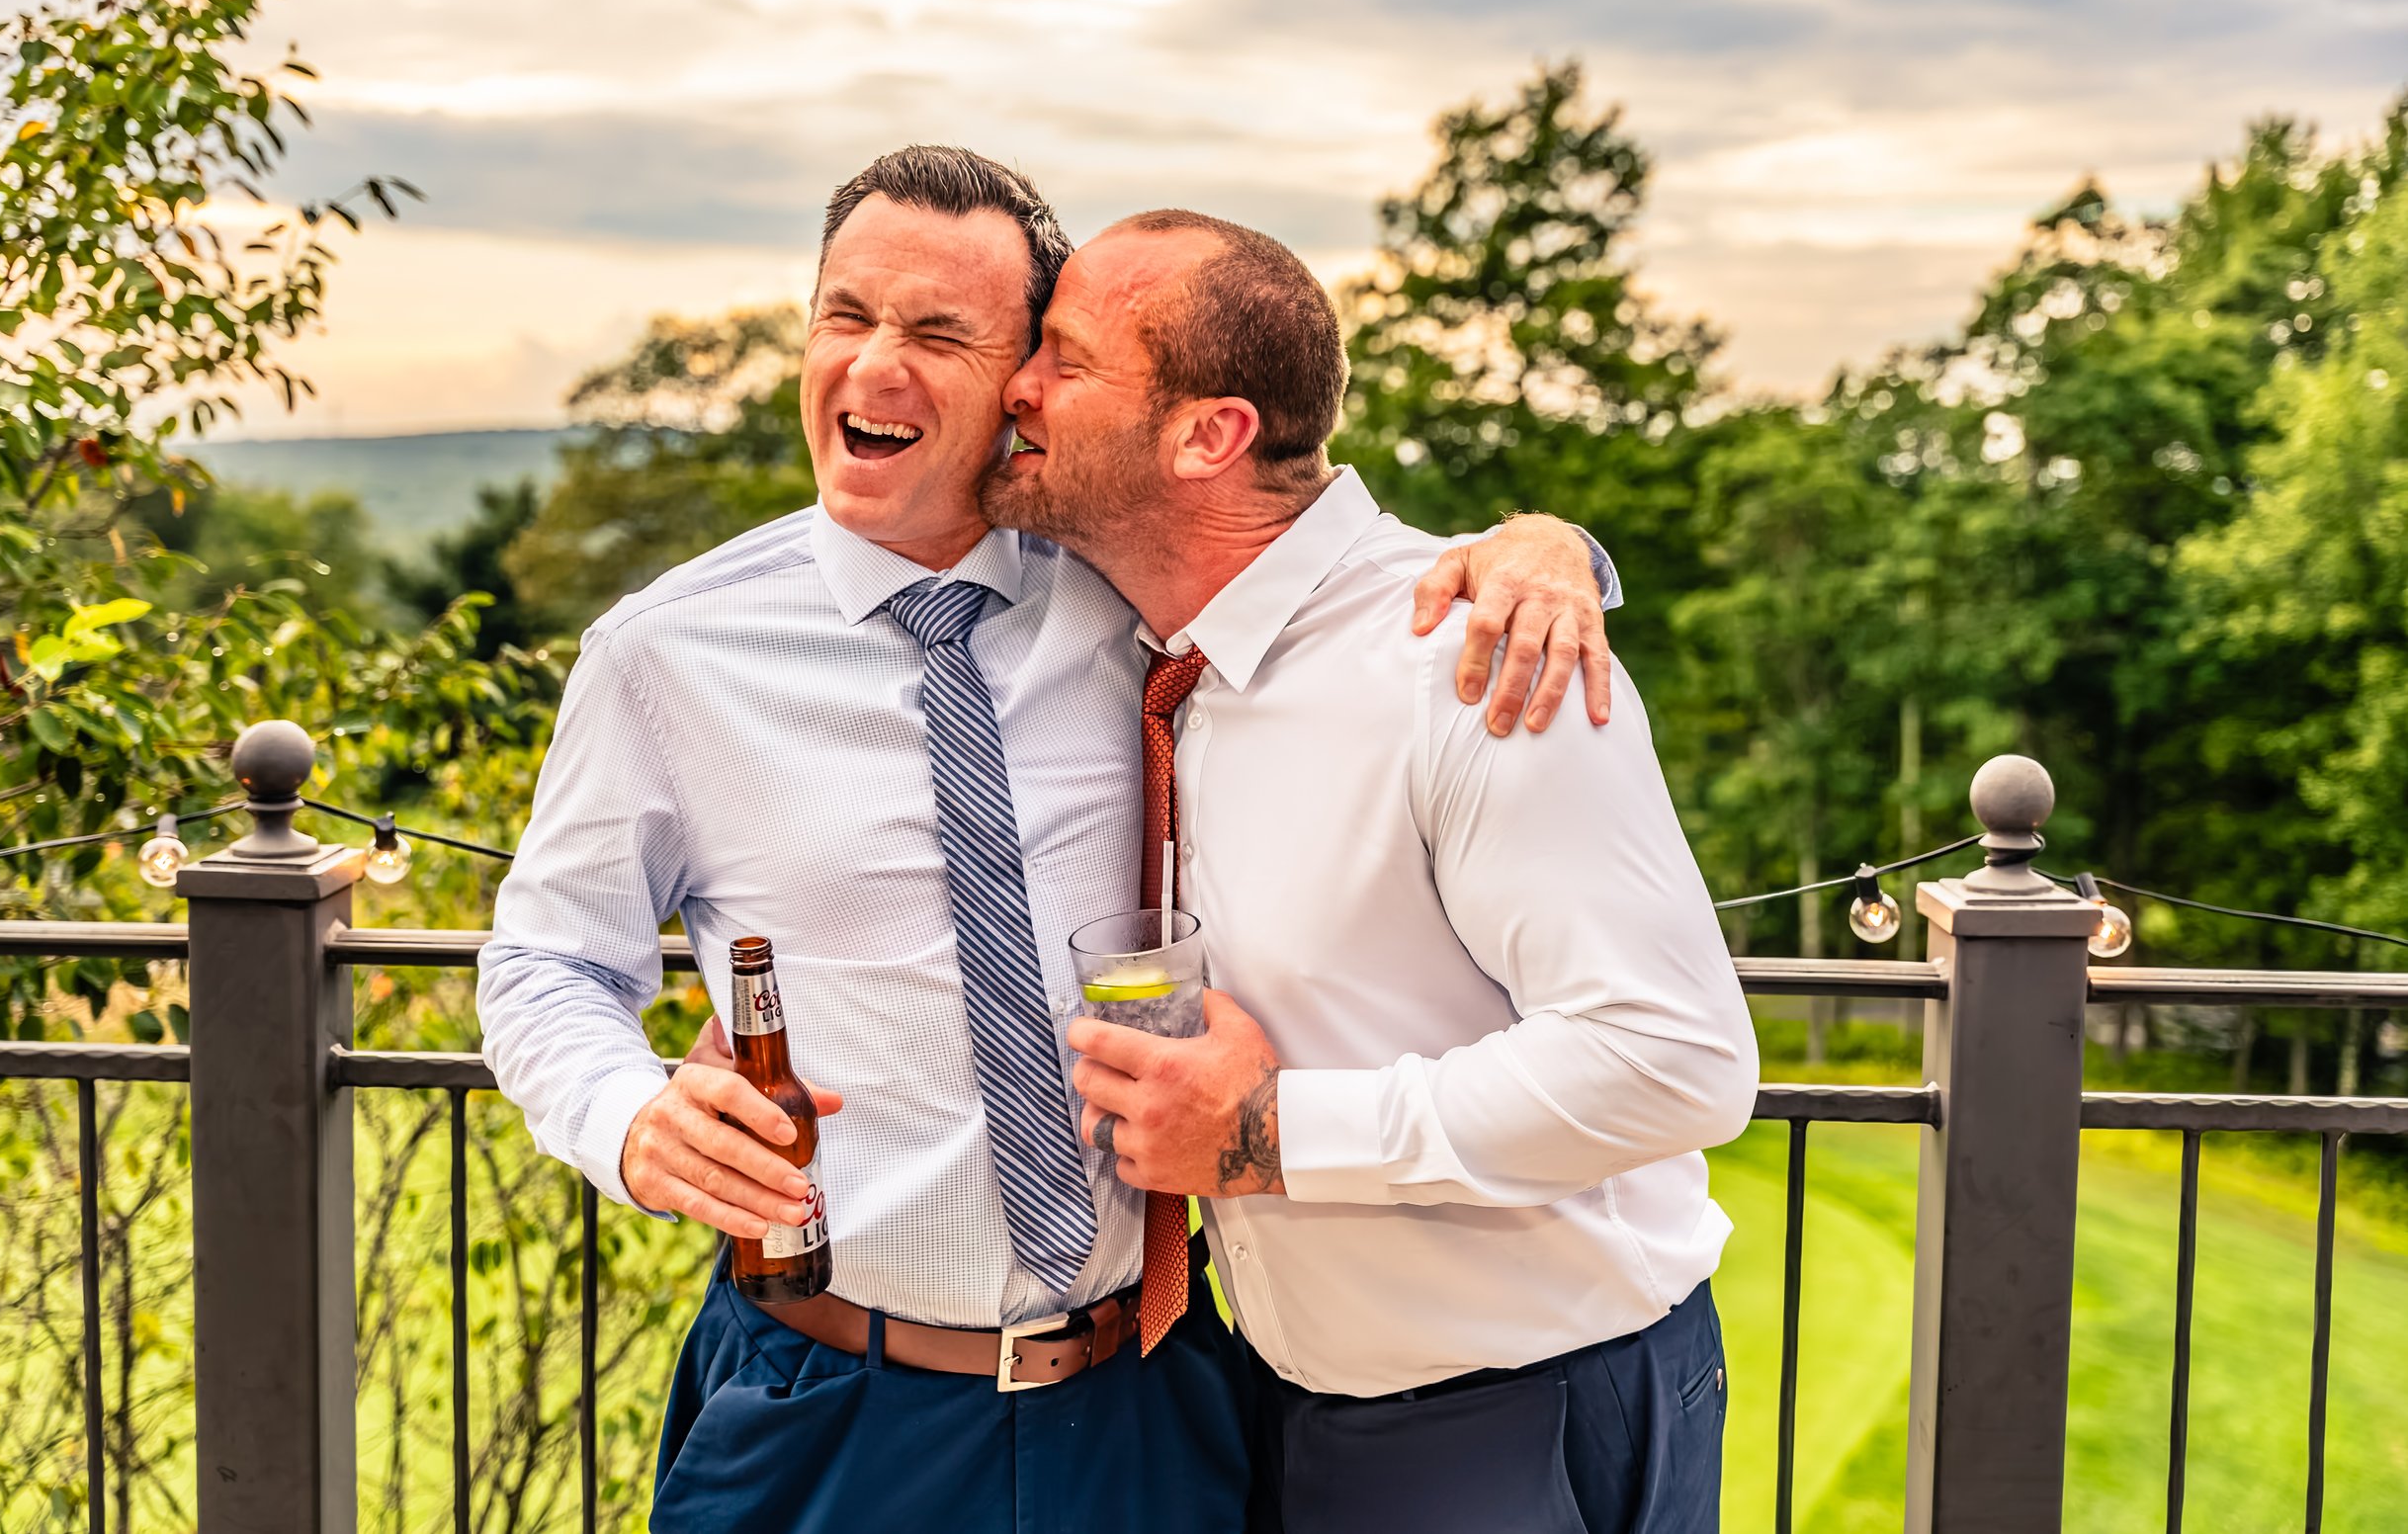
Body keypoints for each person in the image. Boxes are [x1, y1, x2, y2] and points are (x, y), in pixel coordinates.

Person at [476, 147, 1620, 1533]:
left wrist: (1548, 547)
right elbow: (546, 963)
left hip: (1147, 1405)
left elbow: (1329, 565)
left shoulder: (1132, 592)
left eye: (939, 333)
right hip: (827, 1410)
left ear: (1026, 380)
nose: (874, 365)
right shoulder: (663, 654)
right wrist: (624, 1116)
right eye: (847, 316)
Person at [984, 209, 1761, 1534]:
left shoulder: (1474, 665)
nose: (1018, 385)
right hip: (1267, 1404)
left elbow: (1670, 1062)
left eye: (1066, 356)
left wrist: (1273, 1134)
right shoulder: (1143, 641)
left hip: (1515, 1413)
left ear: (1208, 436)